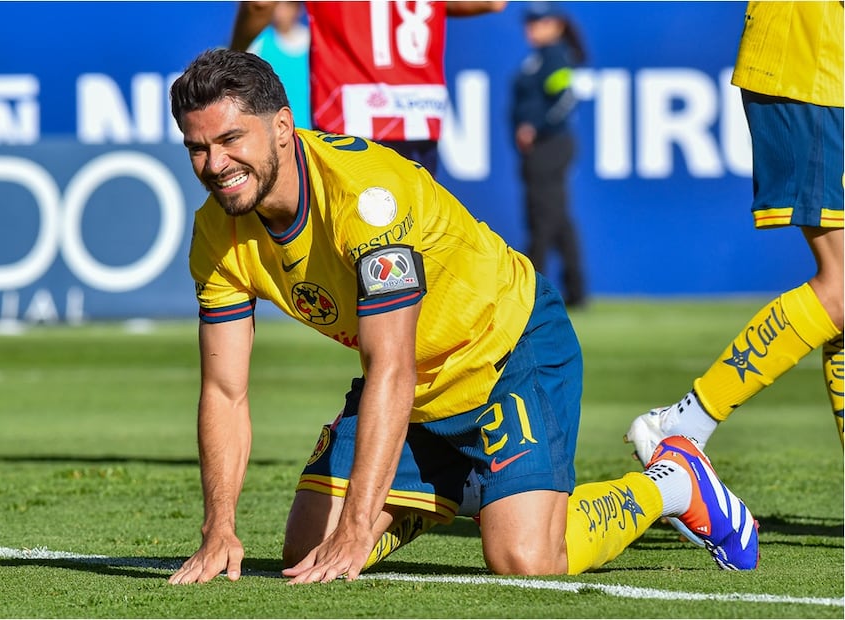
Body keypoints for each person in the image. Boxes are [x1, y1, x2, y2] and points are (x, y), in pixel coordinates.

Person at [164, 48, 759, 585]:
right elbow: (223, 390)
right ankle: (462, 483)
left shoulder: (369, 201)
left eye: (231, 140)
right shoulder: (215, 234)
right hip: (415, 390)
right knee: (306, 551)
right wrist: (218, 528)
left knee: (525, 559)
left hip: (506, 348)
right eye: (198, 147)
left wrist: (359, 524)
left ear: (283, 128)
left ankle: (672, 481)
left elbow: (390, 366)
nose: (215, 164)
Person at [625, 2, 844, 471]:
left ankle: (688, 422)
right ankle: (687, 421)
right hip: (810, 62)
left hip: (825, 61)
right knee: (843, 286)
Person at [230, 1, 507, 176]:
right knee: (411, 240)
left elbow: (259, 4)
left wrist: (235, 54)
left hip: (352, 117)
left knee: (354, 247)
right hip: (420, 115)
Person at [511, 2, 587, 308]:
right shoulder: (539, 58)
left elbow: (566, 98)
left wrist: (536, 127)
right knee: (557, 218)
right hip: (543, 149)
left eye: (539, 23)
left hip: (550, 146)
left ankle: (532, 290)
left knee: (541, 217)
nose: (531, 29)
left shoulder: (554, 57)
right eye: (529, 23)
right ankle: (576, 290)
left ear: (556, 25)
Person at [246, 1, 312, 130]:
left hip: (310, 130)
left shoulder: (312, 42)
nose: (280, 11)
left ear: (298, 9)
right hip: (276, 129)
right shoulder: (257, 43)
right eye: (277, 5)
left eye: (287, 4)